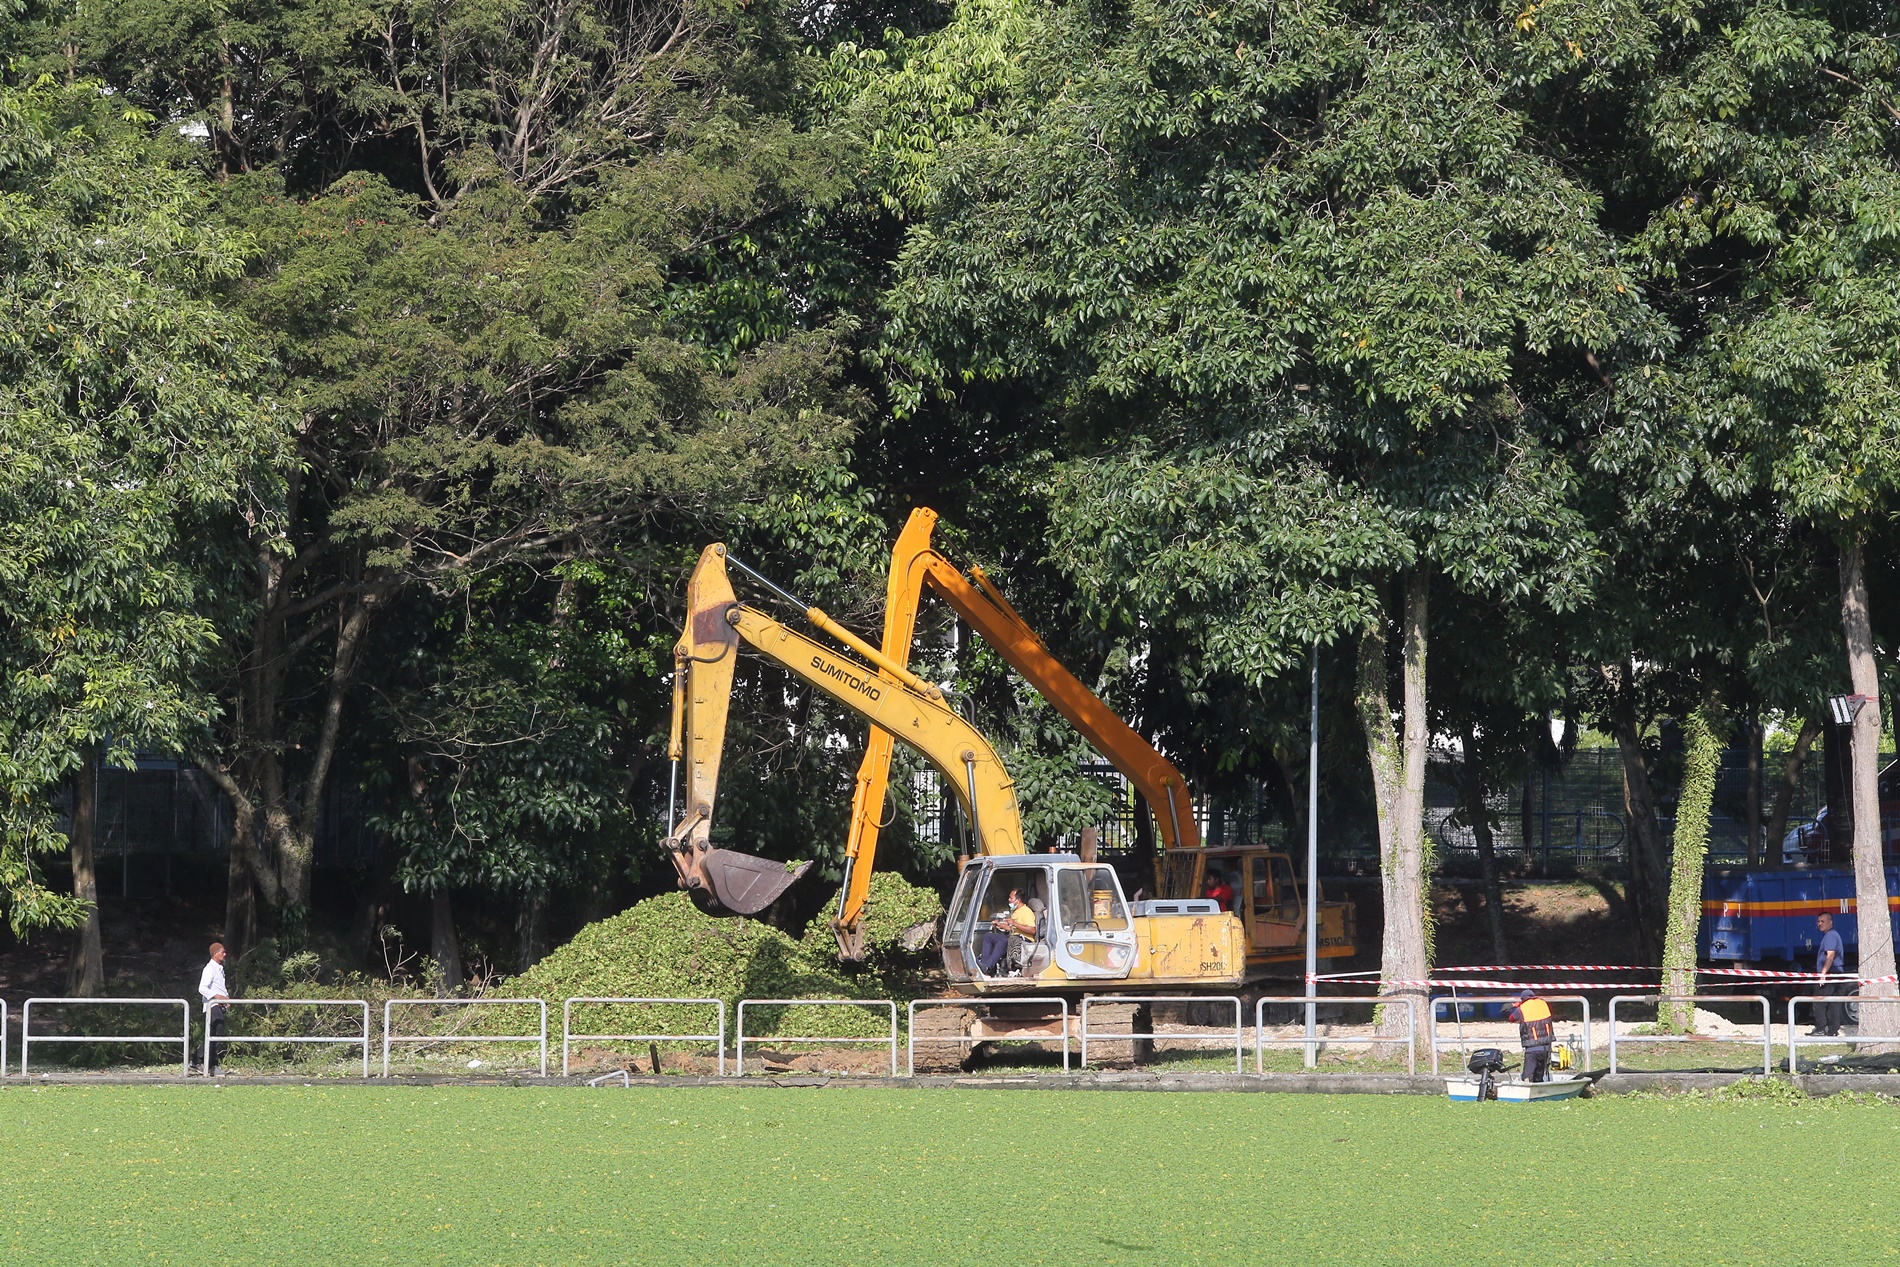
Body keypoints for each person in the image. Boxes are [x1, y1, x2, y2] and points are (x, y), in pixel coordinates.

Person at [976, 890, 1038, 975]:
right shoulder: (1016, 912)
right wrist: (1000, 925)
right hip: (1013, 936)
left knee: (1003, 941)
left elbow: (1032, 930)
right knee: (988, 937)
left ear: (1018, 900)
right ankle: (984, 964)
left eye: (1011, 898)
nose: (1009, 900)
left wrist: (1014, 923)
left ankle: (987, 966)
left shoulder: (1026, 911)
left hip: (1024, 939)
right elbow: (1013, 929)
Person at [1811, 913, 1851, 1037]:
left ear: (1830, 922)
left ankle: (1821, 1028)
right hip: (1837, 973)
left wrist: (1823, 973)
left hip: (1831, 974)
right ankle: (1833, 1030)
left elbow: (1830, 955)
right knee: (1834, 1003)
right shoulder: (1832, 935)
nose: (1820, 924)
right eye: (1818, 921)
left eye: (1823, 921)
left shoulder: (1830, 936)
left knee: (1819, 1002)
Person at [1505, 989, 1554, 1082]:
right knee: (1539, 1076)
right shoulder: (1543, 1004)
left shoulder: (1522, 1009)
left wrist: (1514, 1006)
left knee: (1527, 1075)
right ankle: (1540, 1092)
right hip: (1546, 1047)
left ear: (1522, 999)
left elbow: (1512, 1018)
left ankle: (1526, 1092)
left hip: (1532, 1048)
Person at [198, 941, 229, 1076]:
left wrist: (227, 998)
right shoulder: (209, 968)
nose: (225, 954)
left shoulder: (219, 969)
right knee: (215, 1035)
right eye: (222, 952)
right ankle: (210, 1064)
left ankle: (198, 1060)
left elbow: (220, 986)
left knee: (215, 1035)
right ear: (215, 954)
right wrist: (216, 996)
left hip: (219, 1005)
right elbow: (202, 988)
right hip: (213, 1005)